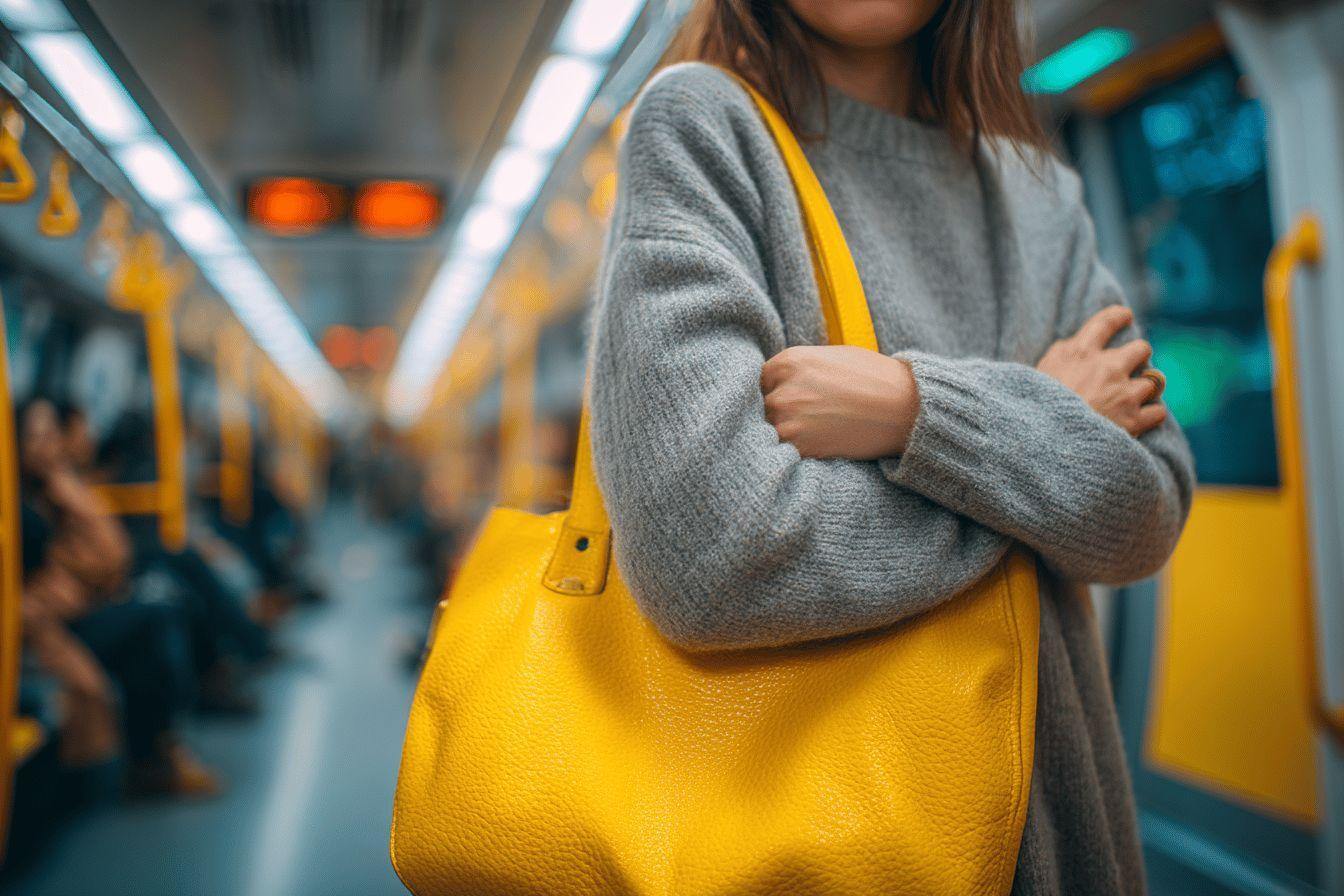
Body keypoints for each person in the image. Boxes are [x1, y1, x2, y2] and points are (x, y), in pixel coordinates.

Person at [588, 2, 1195, 893]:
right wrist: (1051, 424)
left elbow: (1147, 511)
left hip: (1061, 833)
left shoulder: (1039, 198)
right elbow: (712, 558)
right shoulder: (701, 124)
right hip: (817, 846)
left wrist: (914, 410)